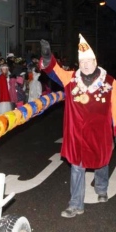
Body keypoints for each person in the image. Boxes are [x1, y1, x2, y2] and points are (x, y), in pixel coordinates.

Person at [39, 34, 116, 218]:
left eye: (89, 61)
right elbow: (53, 70)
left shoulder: (110, 82)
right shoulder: (71, 79)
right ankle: (75, 205)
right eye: (82, 62)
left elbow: (115, 108)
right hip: (78, 135)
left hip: (100, 134)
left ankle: (101, 188)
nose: (85, 65)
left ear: (95, 61)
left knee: (102, 163)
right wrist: (48, 56)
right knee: (77, 167)